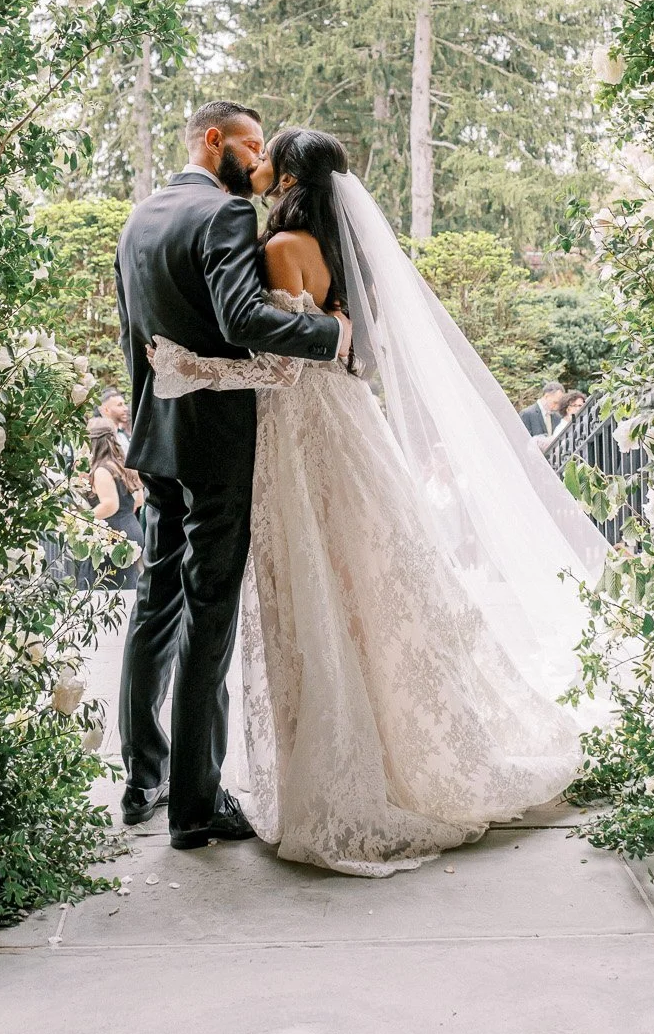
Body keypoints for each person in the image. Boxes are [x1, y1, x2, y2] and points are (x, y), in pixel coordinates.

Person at [148, 125, 609, 877]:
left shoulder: (276, 249)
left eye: (269, 159)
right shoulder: (343, 254)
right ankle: (400, 744)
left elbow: (278, 365)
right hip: (349, 422)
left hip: (300, 436)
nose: (258, 167)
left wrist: (187, 368)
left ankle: (339, 766)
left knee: (315, 589)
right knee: (365, 582)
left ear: (291, 179)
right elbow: (340, 340)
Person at [114, 100, 352, 849]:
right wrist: (332, 332)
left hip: (158, 438)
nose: (258, 163)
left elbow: (135, 338)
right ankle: (193, 806)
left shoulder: (141, 217)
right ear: (211, 140)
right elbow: (245, 318)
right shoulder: (221, 218)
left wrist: (148, 420)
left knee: (155, 605)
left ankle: (142, 777)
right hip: (217, 442)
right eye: (250, 146)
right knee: (208, 616)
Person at [87, 415, 143, 587]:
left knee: (103, 589)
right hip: (131, 528)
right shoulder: (122, 464)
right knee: (126, 587)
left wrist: (82, 518)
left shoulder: (103, 469)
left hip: (113, 536)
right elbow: (139, 499)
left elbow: (110, 505)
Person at [521, 381, 567, 445]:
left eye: (560, 404)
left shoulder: (557, 417)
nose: (557, 407)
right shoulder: (527, 414)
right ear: (546, 396)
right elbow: (523, 442)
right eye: (555, 402)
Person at [99, 388, 131, 454]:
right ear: (106, 410)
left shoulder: (123, 434)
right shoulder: (100, 437)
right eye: (120, 405)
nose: (126, 408)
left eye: (124, 404)